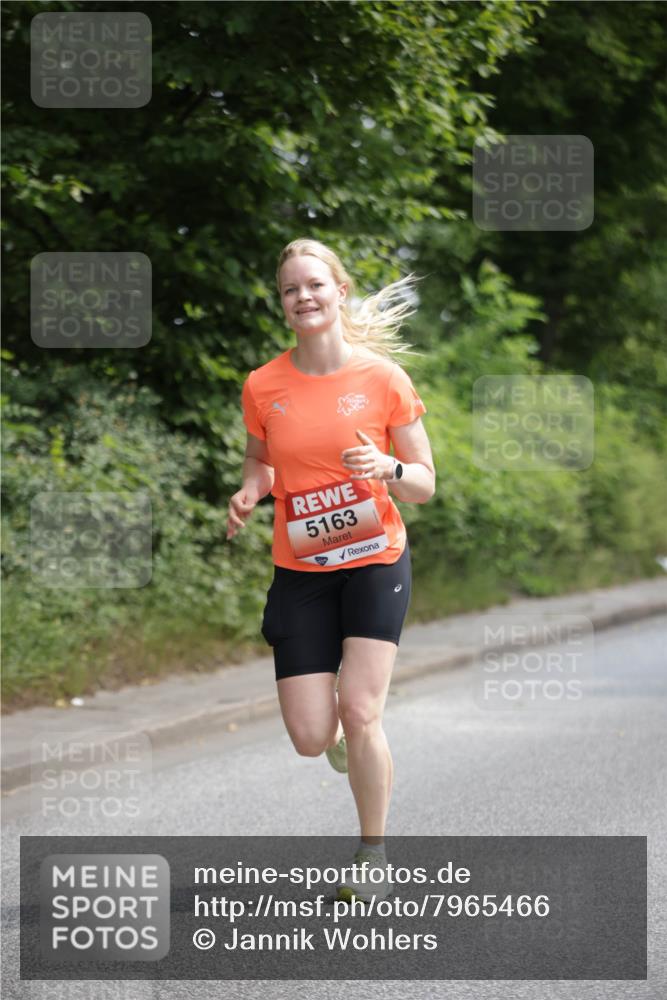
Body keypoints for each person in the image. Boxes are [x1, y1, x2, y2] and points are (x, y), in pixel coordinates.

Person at [226, 237, 435, 902]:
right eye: (290, 289)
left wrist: (389, 469)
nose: (304, 297)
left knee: (361, 707)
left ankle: (371, 856)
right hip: (302, 567)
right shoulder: (263, 385)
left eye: (314, 284)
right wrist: (250, 490)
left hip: (375, 558)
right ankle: (342, 736)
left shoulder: (382, 379)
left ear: (338, 291)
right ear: (283, 305)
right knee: (311, 736)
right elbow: (259, 460)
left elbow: (424, 481)